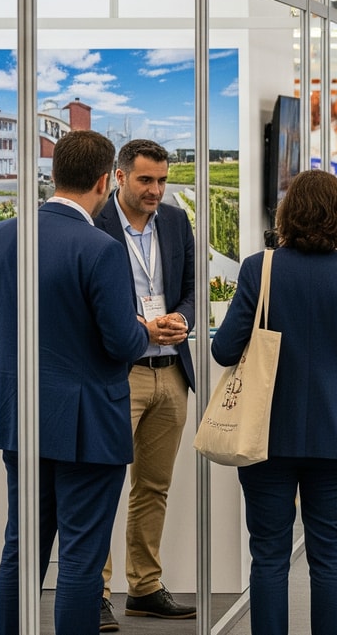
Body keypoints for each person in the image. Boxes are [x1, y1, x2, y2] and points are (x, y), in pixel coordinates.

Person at [0, 130, 150, 635]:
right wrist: (141, 331)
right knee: (79, 560)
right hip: (88, 424)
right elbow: (121, 344)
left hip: (19, 416)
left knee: (21, 550)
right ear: (103, 180)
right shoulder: (101, 248)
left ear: (54, 176)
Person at [214, 170, 337, 635]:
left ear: (287, 213)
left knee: (268, 552)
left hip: (264, 429)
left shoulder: (260, 267)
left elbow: (225, 350)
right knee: (329, 550)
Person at [94, 139, 199, 629]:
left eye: (162, 180)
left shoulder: (176, 222)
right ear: (119, 177)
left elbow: (192, 289)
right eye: (146, 180)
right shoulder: (95, 224)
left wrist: (182, 317)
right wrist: (139, 328)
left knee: (153, 486)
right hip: (119, 372)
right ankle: (94, 591)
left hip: (171, 372)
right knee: (102, 486)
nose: (157, 190)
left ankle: (145, 586)